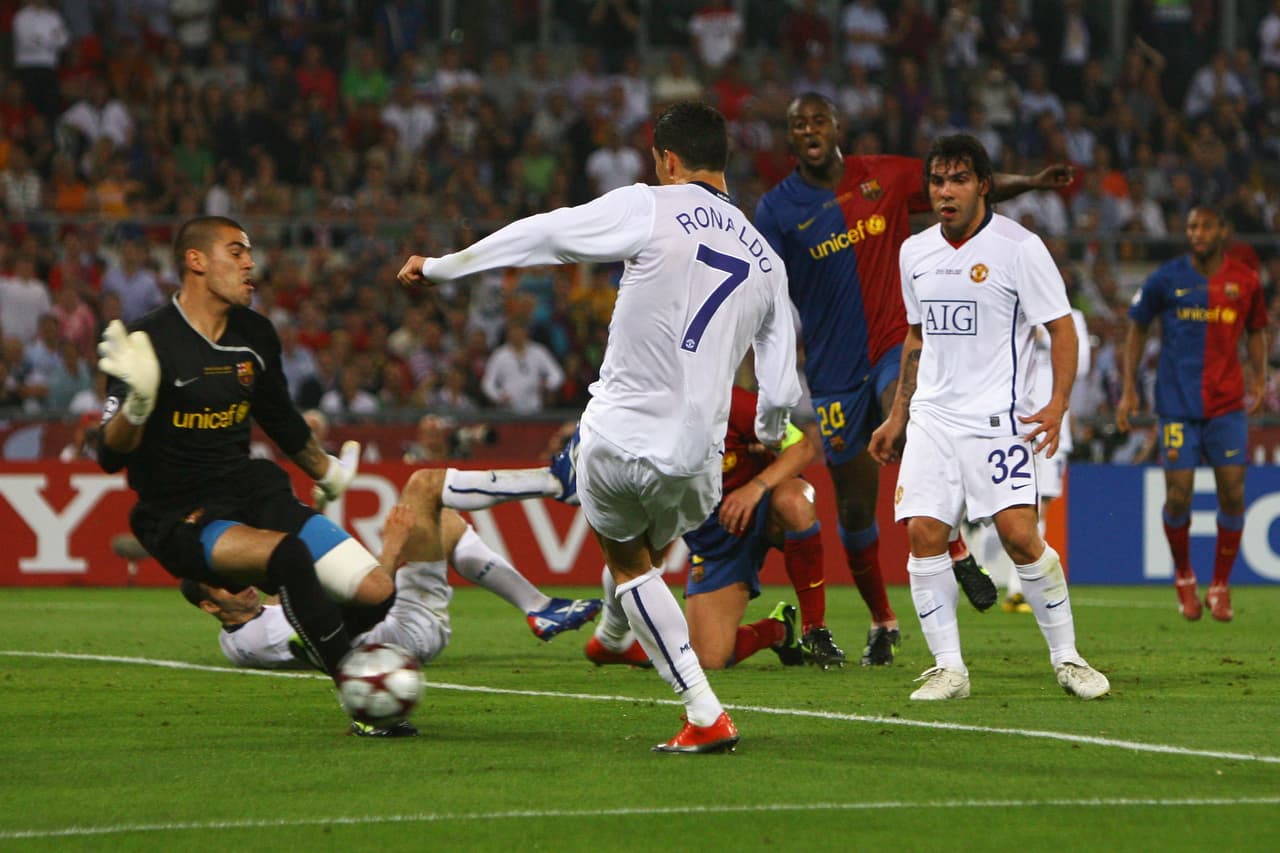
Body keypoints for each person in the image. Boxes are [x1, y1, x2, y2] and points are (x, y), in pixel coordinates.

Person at [398, 101, 801, 754]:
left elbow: (547, 235)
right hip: (699, 457)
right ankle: (612, 635)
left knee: (628, 559)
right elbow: (781, 388)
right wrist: (771, 424)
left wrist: (443, 266)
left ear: (667, 160)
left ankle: (703, 709)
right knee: (646, 548)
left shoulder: (651, 204)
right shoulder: (767, 261)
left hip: (619, 433)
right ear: (720, 163)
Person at [753, 93, 1073, 665]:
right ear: (790, 136)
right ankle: (882, 619)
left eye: (818, 119)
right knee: (854, 509)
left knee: (905, 422)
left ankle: (950, 546)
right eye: (797, 123)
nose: (809, 129)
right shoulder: (777, 210)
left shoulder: (885, 174)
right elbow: (764, 288)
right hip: (830, 372)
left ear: (836, 126)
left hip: (893, 350)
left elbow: (974, 183)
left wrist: (1036, 182)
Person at [96, 215, 392, 706]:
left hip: (250, 488)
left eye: (249, 253)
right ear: (196, 261)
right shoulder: (144, 340)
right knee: (288, 557)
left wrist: (328, 472)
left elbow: (281, 420)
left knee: (378, 592)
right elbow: (109, 452)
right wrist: (138, 406)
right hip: (181, 511)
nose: (250, 263)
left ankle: (314, 640)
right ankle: (360, 697)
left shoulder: (255, 333)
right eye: (235, 252)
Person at [868, 133, 1110, 702]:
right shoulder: (915, 252)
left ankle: (1068, 658)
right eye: (936, 181)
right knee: (924, 534)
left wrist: (1056, 404)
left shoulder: (1019, 248)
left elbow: (1062, 328)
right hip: (932, 416)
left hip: (996, 420)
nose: (944, 192)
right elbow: (916, 336)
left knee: (1020, 537)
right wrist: (899, 413)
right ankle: (948, 669)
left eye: (957, 180)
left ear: (983, 185)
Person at [182, 501, 603, 672]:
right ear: (210, 607)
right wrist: (390, 549)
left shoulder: (238, 636)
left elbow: (286, 600)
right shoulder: (261, 634)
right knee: (434, 514)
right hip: (403, 633)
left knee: (440, 525)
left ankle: (539, 606)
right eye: (227, 589)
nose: (242, 587)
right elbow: (349, 613)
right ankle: (539, 606)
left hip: (396, 633)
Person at [1116, 206, 1268, 622]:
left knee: (1233, 494)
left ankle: (1219, 585)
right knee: (1179, 495)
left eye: (1205, 226)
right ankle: (1184, 576)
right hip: (1177, 408)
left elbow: (1257, 330)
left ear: (1223, 230)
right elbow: (1136, 326)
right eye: (1191, 226)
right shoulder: (1166, 278)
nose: (1197, 233)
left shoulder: (1245, 280)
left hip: (1227, 407)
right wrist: (1129, 389)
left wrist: (1259, 378)